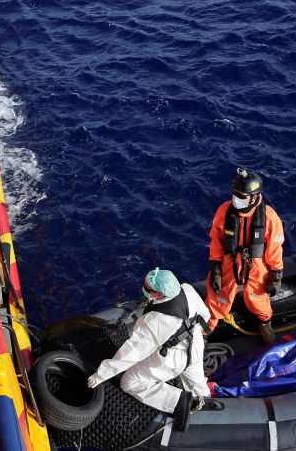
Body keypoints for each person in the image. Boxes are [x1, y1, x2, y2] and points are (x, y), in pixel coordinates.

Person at [87, 268, 209, 431]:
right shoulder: (187, 289)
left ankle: (177, 401)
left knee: (129, 381)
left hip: (173, 359)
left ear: (158, 295)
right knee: (198, 383)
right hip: (195, 345)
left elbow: (131, 354)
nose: (144, 291)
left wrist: (101, 375)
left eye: (148, 289)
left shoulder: (155, 322)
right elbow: (205, 316)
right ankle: (208, 400)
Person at [205, 168, 284, 344]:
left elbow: (275, 249)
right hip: (230, 262)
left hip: (256, 266)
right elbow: (216, 241)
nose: (236, 199)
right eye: (235, 194)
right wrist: (216, 268)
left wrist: (276, 274)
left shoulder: (269, 217)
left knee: (258, 298)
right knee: (217, 297)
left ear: (254, 197)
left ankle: (265, 324)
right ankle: (207, 328)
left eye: (242, 196)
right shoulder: (224, 211)